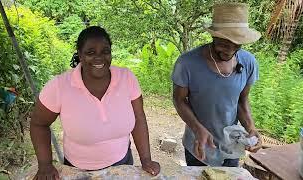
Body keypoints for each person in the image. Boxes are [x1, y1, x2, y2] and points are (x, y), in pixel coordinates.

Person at [30, 26, 160, 179]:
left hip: (123, 163)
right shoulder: (60, 86)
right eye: (90, 52)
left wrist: (146, 159)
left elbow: (138, 119)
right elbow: (39, 124)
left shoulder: (127, 78)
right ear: (80, 54)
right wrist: (45, 164)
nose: (99, 57)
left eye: (105, 51)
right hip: (78, 171)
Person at [171, 3, 263, 167]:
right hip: (199, 145)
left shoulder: (248, 62)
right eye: (225, 44)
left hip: (231, 144)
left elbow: (242, 101)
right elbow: (179, 100)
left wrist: (250, 127)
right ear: (214, 37)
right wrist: (197, 128)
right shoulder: (187, 63)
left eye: (237, 45)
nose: (229, 51)